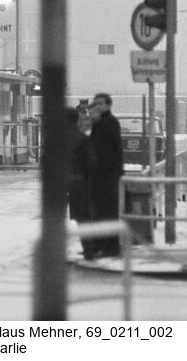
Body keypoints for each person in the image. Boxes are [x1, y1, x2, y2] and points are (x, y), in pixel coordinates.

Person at [86, 92, 124, 258]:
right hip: (98, 176)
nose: (97, 107)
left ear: (108, 105)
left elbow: (112, 149)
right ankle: (100, 245)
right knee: (98, 212)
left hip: (109, 176)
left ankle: (111, 247)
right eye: (96, 104)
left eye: (100, 103)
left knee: (108, 212)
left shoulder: (110, 122)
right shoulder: (97, 123)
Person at [65, 107, 96, 259]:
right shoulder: (82, 138)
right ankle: (89, 248)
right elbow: (92, 163)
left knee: (55, 216)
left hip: (60, 183)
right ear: (76, 120)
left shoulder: (57, 139)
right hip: (79, 182)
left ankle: (56, 249)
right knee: (83, 217)